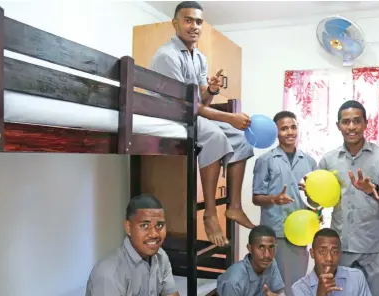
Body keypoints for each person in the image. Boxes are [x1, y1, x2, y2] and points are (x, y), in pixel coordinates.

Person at [148, 1, 255, 247]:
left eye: (198, 21)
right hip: (169, 116)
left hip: (188, 113)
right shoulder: (168, 56)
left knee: (241, 137)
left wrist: (213, 90)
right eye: (188, 20)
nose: (194, 26)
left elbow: (200, 101)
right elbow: (187, 108)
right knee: (217, 136)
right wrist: (230, 117)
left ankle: (234, 206)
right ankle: (209, 213)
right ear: (175, 23)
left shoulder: (199, 58)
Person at [300, 100, 379, 296]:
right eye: (346, 122)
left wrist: (371, 189)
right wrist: (309, 194)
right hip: (342, 245)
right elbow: (318, 203)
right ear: (338, 125)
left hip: (375, 243)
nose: (352, 127)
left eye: (357, 121)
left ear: (366, 123)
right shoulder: (328, 160)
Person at [252, 111, 318, 295]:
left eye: (293, 127)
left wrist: (316, 208)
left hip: (299, 234)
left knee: (296, 285)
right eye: (284, 128)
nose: (290, 132)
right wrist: (274, 199)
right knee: (271, 285)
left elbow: (315, 202)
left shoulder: (310, 162)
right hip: (274, 233)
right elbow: (256, 197)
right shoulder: (265, 160)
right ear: (276, 133)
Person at [85, 194, 179, 296]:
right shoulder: (109, 274)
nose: (154, 234)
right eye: (144, 225)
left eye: (159, 225)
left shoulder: (161, 257)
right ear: (128, 227)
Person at [291, 228, 372, 296]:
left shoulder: (356, 277)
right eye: (322, 252)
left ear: (340, 254)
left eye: (334, 252)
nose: (329, 258)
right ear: (312, 253)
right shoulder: (300, 288)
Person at [216, 225, 285, 296]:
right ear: (249, 248)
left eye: (271, 247)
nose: (267, 255)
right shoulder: (234, 280)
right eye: (261, 247)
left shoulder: (271, 263)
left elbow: (280, 293)